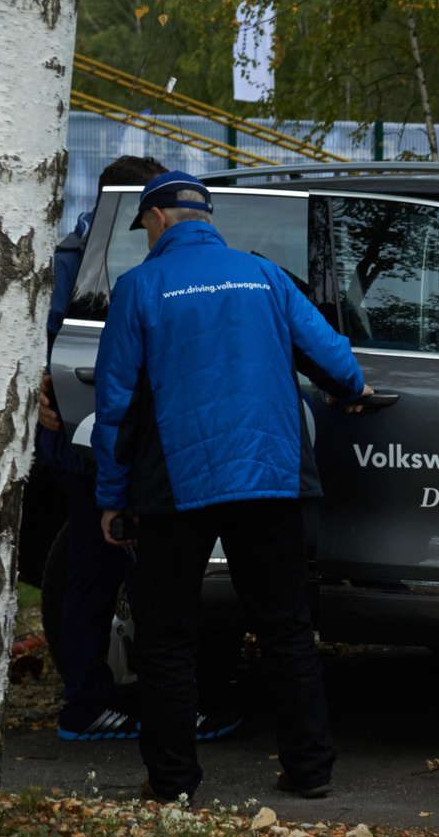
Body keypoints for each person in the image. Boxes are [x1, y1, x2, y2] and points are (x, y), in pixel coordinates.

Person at [90, 171, 373, 801]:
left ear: (158, 219)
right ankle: (309, 772)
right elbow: (333, 358)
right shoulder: (264, 276)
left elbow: (114, 404)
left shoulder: (139, 288)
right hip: (268, 477)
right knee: (286, 626)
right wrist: (352, 390)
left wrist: (112, 498)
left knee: (167, 637)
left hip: (174, 486)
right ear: (207, 218)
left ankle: (172, 783)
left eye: (145, 227)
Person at [36, 154, 184, 741]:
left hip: (116, 435)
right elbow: (52, 344)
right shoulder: (79, 262)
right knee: (94, 572)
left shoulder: (89, 254)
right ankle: (87, 702)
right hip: (90, 442)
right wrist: (42, 394)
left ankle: (110, 698)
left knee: (114, 572)